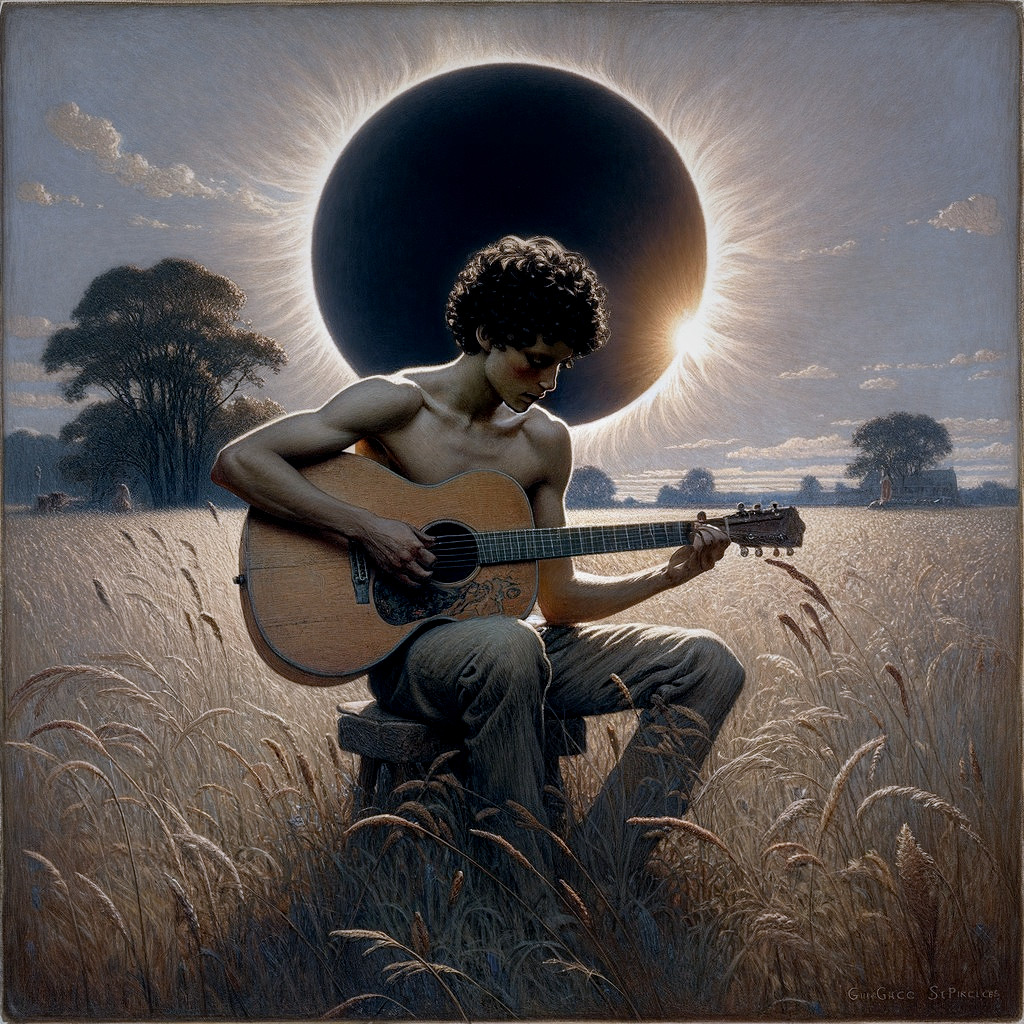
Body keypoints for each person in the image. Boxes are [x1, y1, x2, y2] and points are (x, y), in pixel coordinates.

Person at [212, 234, 744, 883]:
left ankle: (600, 879)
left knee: (710, 665)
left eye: (562, 367)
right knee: (509, 647)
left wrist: (669, 573)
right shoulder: (398, 404)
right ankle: (528, 901)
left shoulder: (545, 444)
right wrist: (368, 528)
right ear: (488, 332)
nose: (549, 383)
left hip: (517, 648)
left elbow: (561, 602)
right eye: (536, 360)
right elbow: (241, 461)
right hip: (413, 656)